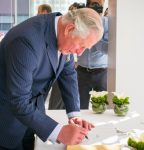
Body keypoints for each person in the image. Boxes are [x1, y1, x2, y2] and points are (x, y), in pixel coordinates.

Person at [0, 8, 103, 150]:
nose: (80, 52)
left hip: (32, 117)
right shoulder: (25, 40)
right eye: (81, 45)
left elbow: (68, 74)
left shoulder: (64, 34)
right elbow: (18, 100)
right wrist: (59, 131)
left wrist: (74, 114)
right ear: (70, 29)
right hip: (6, 122)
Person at [48, 2, 86, 110]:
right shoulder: (61, 33)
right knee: (56, 103)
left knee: (75, 103)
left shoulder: (86, 33)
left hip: (78, 70)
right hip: (61, 70)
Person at [77, 0, 109, 109]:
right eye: (94, 3)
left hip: (102, 73)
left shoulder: (107, 23)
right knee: (80, 107)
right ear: (88, 5)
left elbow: (108, 49)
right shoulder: (80, 21)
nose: (96, 6)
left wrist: (93, 37)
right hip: (82, 72)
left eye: (99, 4)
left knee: (101, 108)